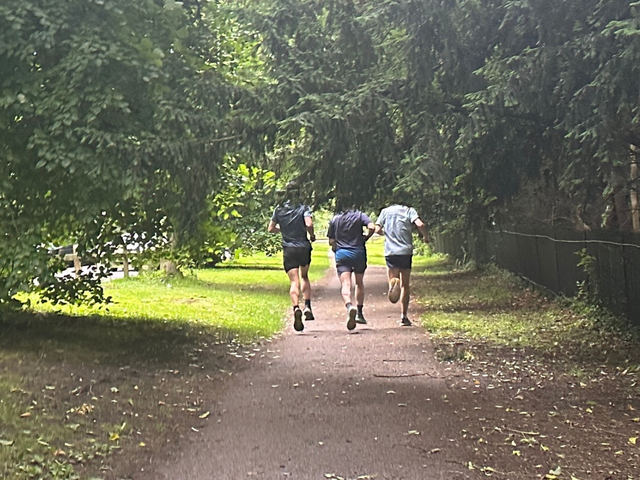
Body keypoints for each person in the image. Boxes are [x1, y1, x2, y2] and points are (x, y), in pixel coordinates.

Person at [267, 186, 316, 332]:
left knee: (294, 281)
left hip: (288, 248)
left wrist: (283, 229)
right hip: (303, 246)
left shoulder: (279, 209)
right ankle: (307, 306)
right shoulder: (303, 207)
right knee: (305, 277)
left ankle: (296, 307)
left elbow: (270, 228)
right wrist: (312, 235)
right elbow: (309, 224)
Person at [374, 202, 429, 326]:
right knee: (406, 285)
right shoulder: (409, 210)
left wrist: (386, 233)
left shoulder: (385, 211)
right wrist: (425, 236)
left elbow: (377, 229)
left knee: (393, 275)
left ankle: (393, 282)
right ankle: (404, 316)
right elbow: (420, 224)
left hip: (391, 252)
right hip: (405, 251)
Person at [327, 209, 375, 330]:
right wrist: (366, 238)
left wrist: (336, 249)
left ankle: (349, 306)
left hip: (342, 254)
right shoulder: (360, 215)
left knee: (345, 284)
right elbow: (372, 227)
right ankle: (359, 312)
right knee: (359, 283)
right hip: (358, 252)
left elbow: (331, 241)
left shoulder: (335, 219)